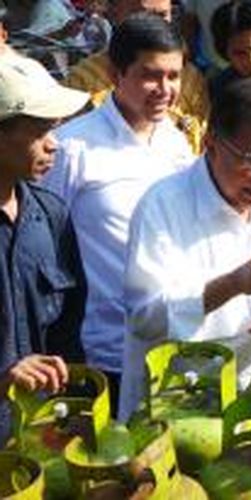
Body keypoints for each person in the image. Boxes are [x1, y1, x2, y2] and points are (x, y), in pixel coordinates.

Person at [120, 77, 251, 420]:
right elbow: (145, 317)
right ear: (210, 143)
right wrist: (232, 284)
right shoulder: (162, 206)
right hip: (173, 402)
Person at [43, 13, 194, 414]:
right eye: (151, 75)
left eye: (174, 76)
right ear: (114, 72)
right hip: (98, 349)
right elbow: (42, 247)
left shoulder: (179, 146)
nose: (165, 89)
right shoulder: (72, 148)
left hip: (171, 344)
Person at [0, 62, 89, 444]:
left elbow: (67, 330)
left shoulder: (51, 215)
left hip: (37, 440)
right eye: (40, 131)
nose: (54, 143)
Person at [64, 0, 209, 154]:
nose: (153, 24)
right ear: (113, 13)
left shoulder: (191, 79)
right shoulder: (82, 81)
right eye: (143, 15)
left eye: (162, 15)